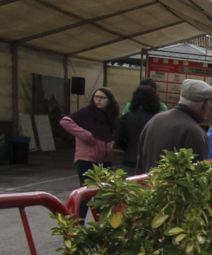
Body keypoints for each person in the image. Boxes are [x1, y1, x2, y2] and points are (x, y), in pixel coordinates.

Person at [136, 78, 212, 175]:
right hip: (171, 190)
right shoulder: (195, 132)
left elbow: (140, 164)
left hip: (147, 188)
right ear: (206, 104)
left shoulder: (155, 120)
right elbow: (197, 179)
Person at [60, 86, 119, 220]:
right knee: (86, 191)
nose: (98, 100)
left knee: (104, 192)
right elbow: (65, 121)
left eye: (102, 98)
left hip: (104, 159)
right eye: (96, 97)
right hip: (86, 158)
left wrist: (112, 143)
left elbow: (113, 131)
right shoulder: (86, 112)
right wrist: (85, 135)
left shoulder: (111, 115)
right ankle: (78, 223)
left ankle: (102, 223)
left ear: (109, 101)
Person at [114, 84, 161, 173]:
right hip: (150, 162)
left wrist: (127, 148)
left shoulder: (127, 116)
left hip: (129, 160)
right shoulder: (157, 119)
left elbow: (118, 138)